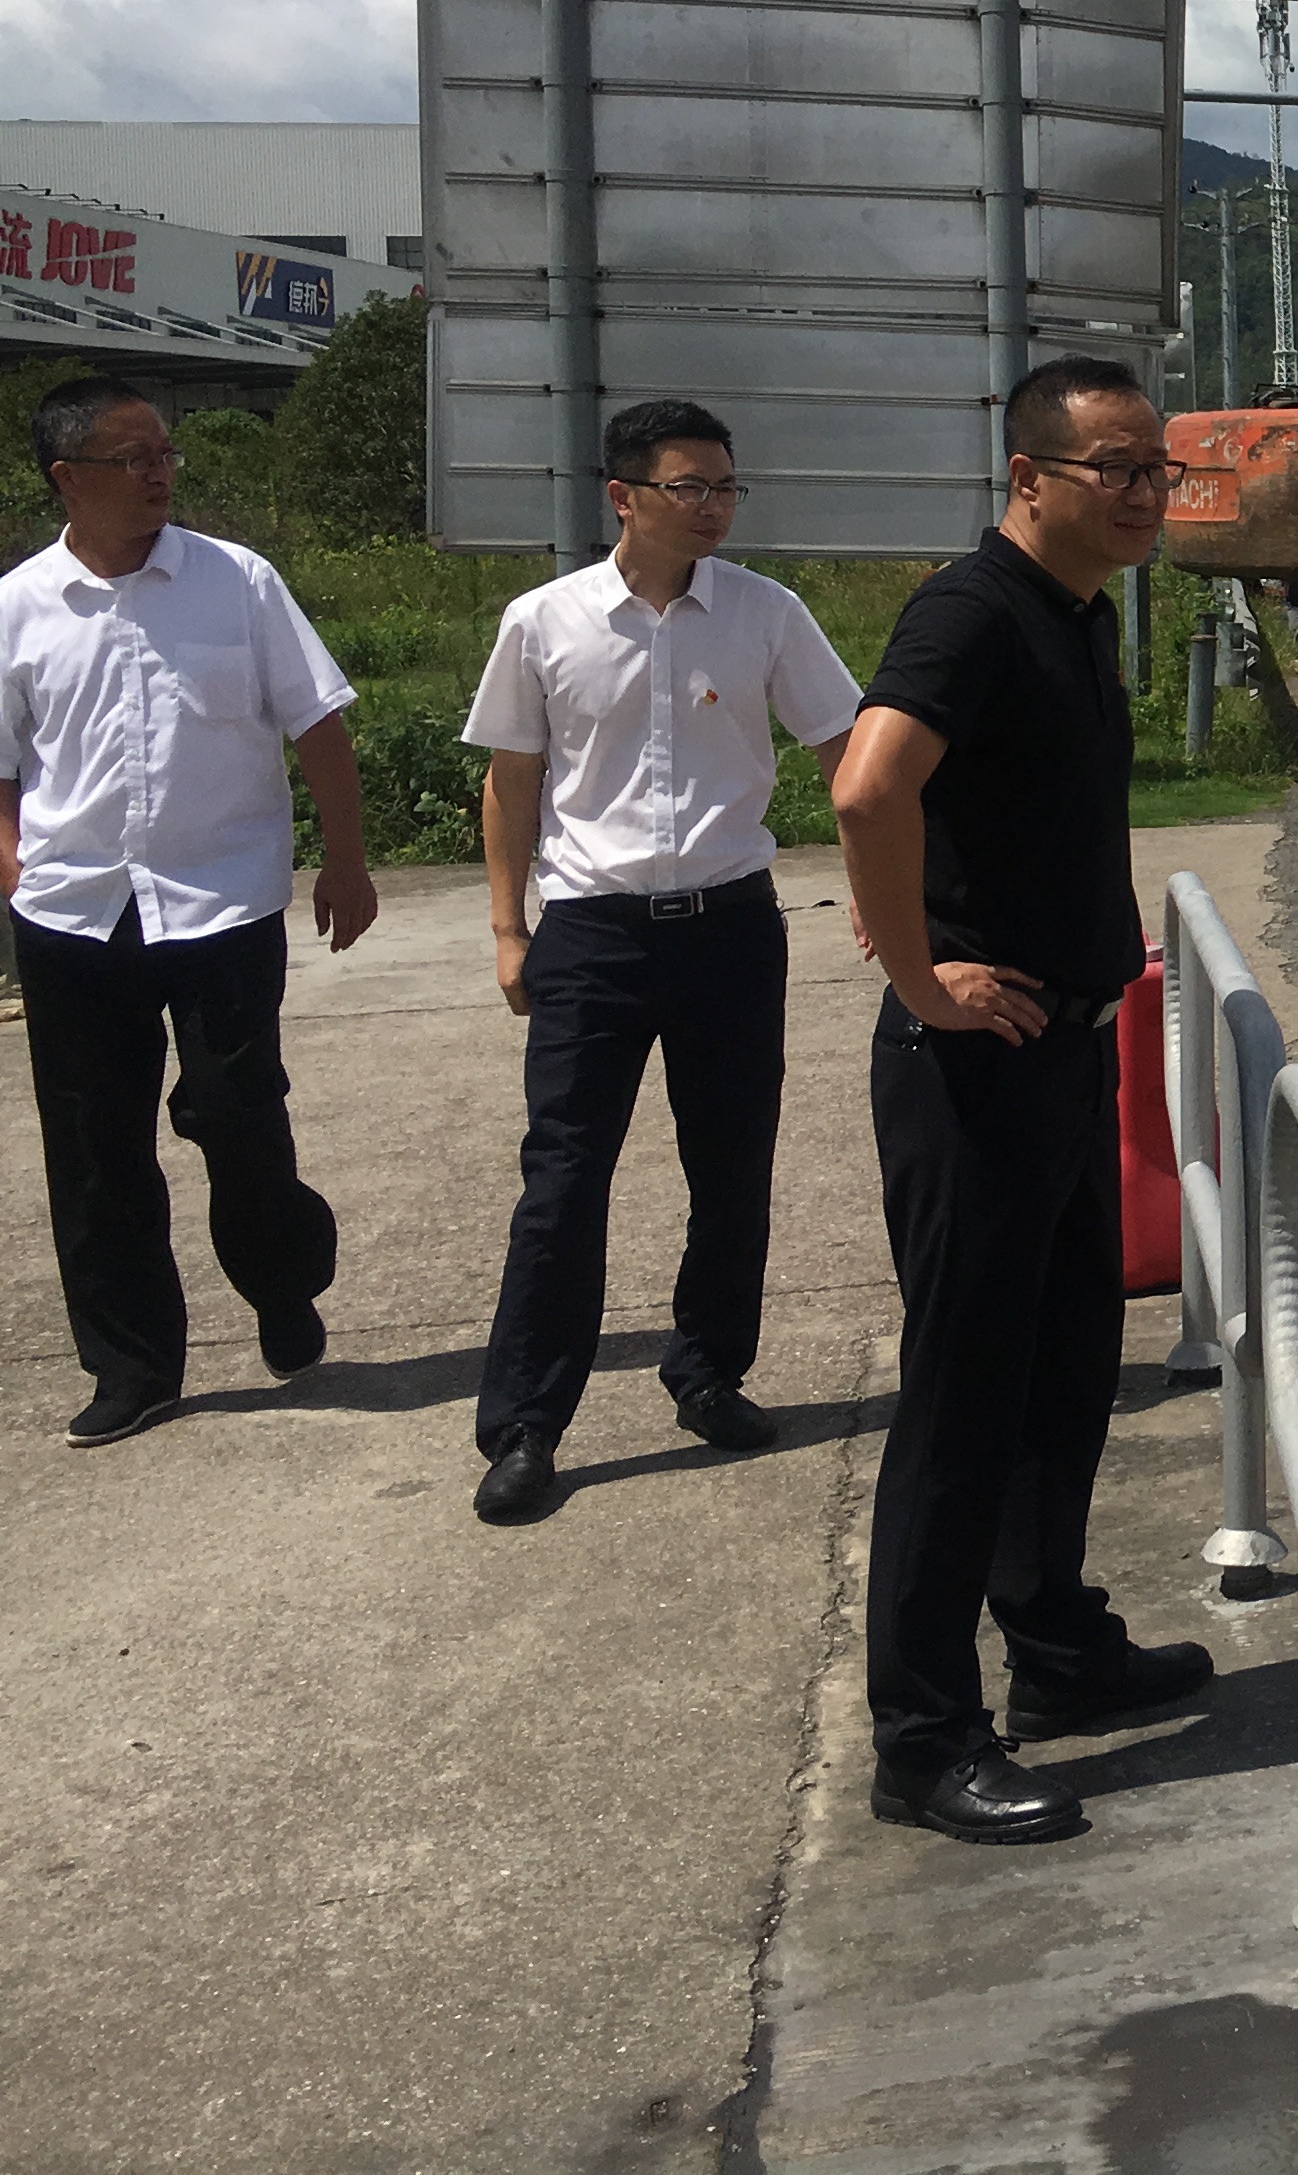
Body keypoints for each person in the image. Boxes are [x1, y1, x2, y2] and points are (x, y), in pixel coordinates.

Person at [834, 356, 1207, 1844]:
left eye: (1156, 468)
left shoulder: (1079, 612)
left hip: (1064, 1048)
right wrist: (921, 973)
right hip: (972, 1069)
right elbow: (868, 788)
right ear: (1029, 477)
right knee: (964, 1399)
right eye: (1115, 468)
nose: (1144, 493)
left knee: (1063, 1371)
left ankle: (1054, 1646)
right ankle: (924, 1739)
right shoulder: (972, 612)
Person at [459, 400, 867, 1525]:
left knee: (731, 1167)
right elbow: (511, 780)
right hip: (593, 932)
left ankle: (708, 1373)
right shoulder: (544, 622)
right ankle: (526, 1427)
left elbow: (846, 752)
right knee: (562, 1180)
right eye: (691, 487)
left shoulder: (766, 613)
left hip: (730, 925)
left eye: (727, 487)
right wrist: (507, 929)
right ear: (623, 497)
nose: (714, 507)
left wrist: (880, 888)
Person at [1, 374, 374, 1448]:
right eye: (134, 459)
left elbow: (318, 725)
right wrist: (14, 870)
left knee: (236, 1116)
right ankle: (133, 1367)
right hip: (74, 912)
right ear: (68, 478)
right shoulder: (18, 606)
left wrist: (346, 861)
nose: (159, 473)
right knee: (94, 1146)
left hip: (223, 902)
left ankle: (281, 1280)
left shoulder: (237, 580)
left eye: (164, 454)